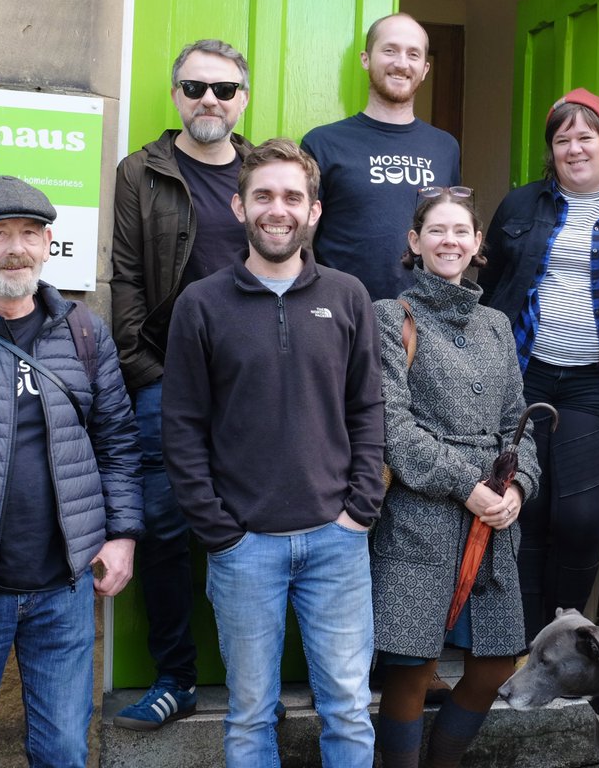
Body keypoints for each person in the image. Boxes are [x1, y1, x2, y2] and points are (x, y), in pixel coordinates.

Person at [0, 176, 143, 764]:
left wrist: (121, 534)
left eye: (30, 233)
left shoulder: (84, 332)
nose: (16, 248)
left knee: (64, 750)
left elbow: (116, 442)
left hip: (64, 590)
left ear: (48, 244)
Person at [162, 138, 384, 766]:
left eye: (292, 196)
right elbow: (181, 427)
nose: (277, 209)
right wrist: (218, 530)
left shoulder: (348, 296)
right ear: (240, 207)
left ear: (314, 210)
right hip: (244, 548)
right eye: (263, 196)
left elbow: (368, 408)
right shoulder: (201, 304)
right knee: (249, 715)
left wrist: (360, 509)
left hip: (337, 541)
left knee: (348, 708)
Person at [109, 38, 252, 729]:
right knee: (164, 528)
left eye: (224, 89)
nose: (209, 100)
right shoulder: (141, 172)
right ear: (176, 96)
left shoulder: (265, 171)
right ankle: (176, 677)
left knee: (256, 530)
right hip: (166, 379)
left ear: (242, 100)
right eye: (195, 87)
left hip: (254, 385)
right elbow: (126, 280)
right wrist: (146, 372)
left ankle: (253, 684)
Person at [480, 88, 599, 640]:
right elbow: (491, 289)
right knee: (526, 512)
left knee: (579, 520)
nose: (574, 149)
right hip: (524, 377)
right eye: (563, 140)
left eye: (585, 137)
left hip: (596, 385)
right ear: (551, 150)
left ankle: (564, 636)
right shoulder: (519, 207)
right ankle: (522, 642)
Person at [373, 186, 538, 767]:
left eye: (460, 231)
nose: (450, 241)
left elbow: (518, 423)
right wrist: (468, 486)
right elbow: (393, 428)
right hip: (419, 518)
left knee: (494, 665)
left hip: (493, 527)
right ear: (415, 242)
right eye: (436, 231)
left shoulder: (496, 324)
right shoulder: (390, 317)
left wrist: (518, 488)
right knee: (411, 670)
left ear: (477, 244)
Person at [302, 12, 460, 302]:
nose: (401, 63)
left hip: (424, 315)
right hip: (343, 312)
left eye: (413, 54)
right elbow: (303, 242)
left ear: (425, 68)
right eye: (390, 50)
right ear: (366, 59)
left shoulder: (445, 147)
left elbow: (452, 234)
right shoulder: (322, 143)